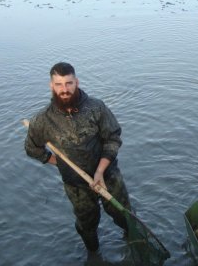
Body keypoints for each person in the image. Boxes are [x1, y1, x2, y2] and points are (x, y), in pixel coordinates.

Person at [25, 62, 131, 252]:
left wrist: (100, 171)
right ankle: (93, 255)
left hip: (108, 175)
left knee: (124, 215)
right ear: (51, 86)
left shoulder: (96, 108)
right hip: (76, 185)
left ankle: (132, 241)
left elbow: (113, 138)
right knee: (87, 225)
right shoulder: (42, 121)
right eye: (58, 84)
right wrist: (58, 163)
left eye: (68, 83)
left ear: (77, 82)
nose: (64, 90)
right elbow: (33, 149)